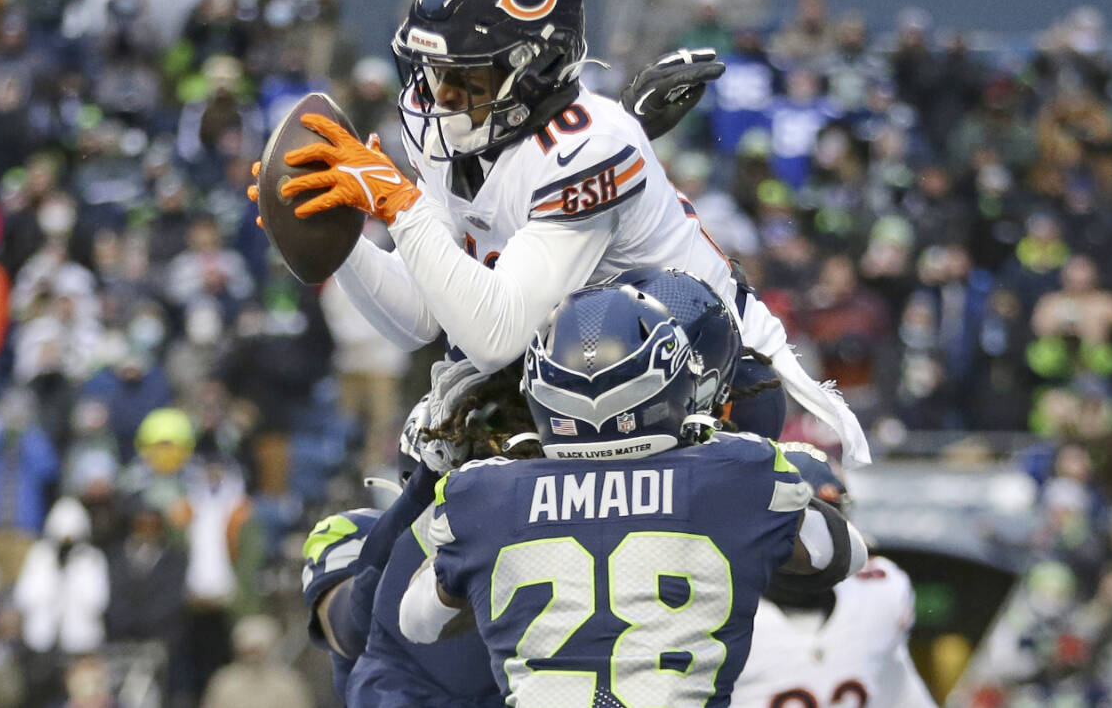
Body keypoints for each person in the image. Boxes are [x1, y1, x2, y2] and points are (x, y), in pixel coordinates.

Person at [251, 0, 869, 469]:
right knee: (403, 565)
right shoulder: (453, 133)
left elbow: (495, 334)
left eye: (465, 77)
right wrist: (340, 239)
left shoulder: (591, 146)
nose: (437, 97)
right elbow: (420, 316)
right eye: (431, 73)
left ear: (533, 68)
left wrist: (401, 208)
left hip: (708, 386)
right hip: (593, 378)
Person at [304, 269, 783, 706]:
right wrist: (427, 492)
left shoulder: (493, 500)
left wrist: (434, 487)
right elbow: (354, 626)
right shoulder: (397, 524)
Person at [398, 282, 868, 706]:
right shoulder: (739, 473)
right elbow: (843, 554)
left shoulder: (482, 493)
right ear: (675, 378)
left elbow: (418, 622)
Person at [730, 443, 938, 708]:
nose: (809, 550)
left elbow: (899, 691)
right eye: (793, 530)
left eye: (823, 529)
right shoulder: (716, 609)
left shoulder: (879, 592)